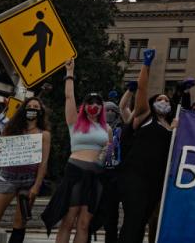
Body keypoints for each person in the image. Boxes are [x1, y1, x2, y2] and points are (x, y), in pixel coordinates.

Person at [41, 59, 111, 243]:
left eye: (98, 102)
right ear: (84, 105)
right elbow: (69, 97)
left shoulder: (107, 129)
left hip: (96, 176)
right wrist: (70, 73)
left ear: (102, 107)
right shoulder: (75, 122)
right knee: (68, 220)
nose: (94, 105)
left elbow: (108, 152)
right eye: (90, 102)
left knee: (84, 224)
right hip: (75, 173)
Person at [117, 49, 173, 243]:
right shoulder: (144, 115)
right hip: (135, 176)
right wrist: (146, 65)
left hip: (156, 179)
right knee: (133, 219)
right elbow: (142, 90)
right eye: (160, 99)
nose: (164, 101)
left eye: (167, 100)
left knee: (142, 221)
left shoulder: (171, 126)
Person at [0, 97, 51, 243]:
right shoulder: (11, 128)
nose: (32, 109)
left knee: (20, 223)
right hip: (6, 178)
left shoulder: (44, 134)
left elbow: (43, 163)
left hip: (29, 181)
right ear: (23, 109)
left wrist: (36, 186)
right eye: (29, 106)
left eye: (36, 107)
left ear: (41, 112)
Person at [101, 99, 124, 243]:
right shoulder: (95, 129)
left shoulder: (121, 129)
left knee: (111, 216)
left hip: (114, 174)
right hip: (97, 173)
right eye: (106, 111)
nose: (109, 113)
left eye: (112, 111)